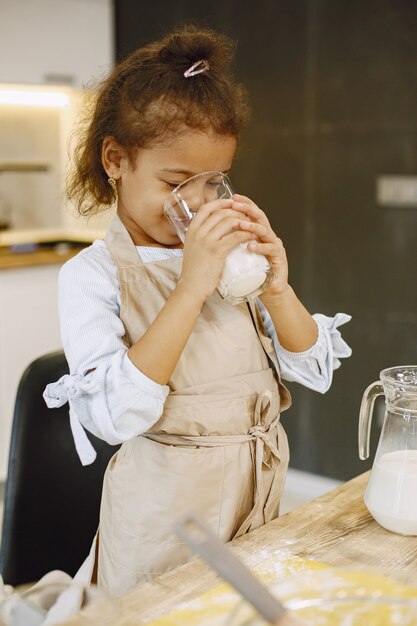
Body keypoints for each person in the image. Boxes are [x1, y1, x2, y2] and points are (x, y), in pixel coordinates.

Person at [44, 24, 351, 597]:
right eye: (176, 182)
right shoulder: (92, 276)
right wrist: (190, 287)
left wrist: (278, 289)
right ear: (115, 159)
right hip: (165, 526)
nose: (197, 203)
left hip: (253, 505)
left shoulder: (223, 258)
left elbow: (313, 370)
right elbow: (116, 416)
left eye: (212, 184)